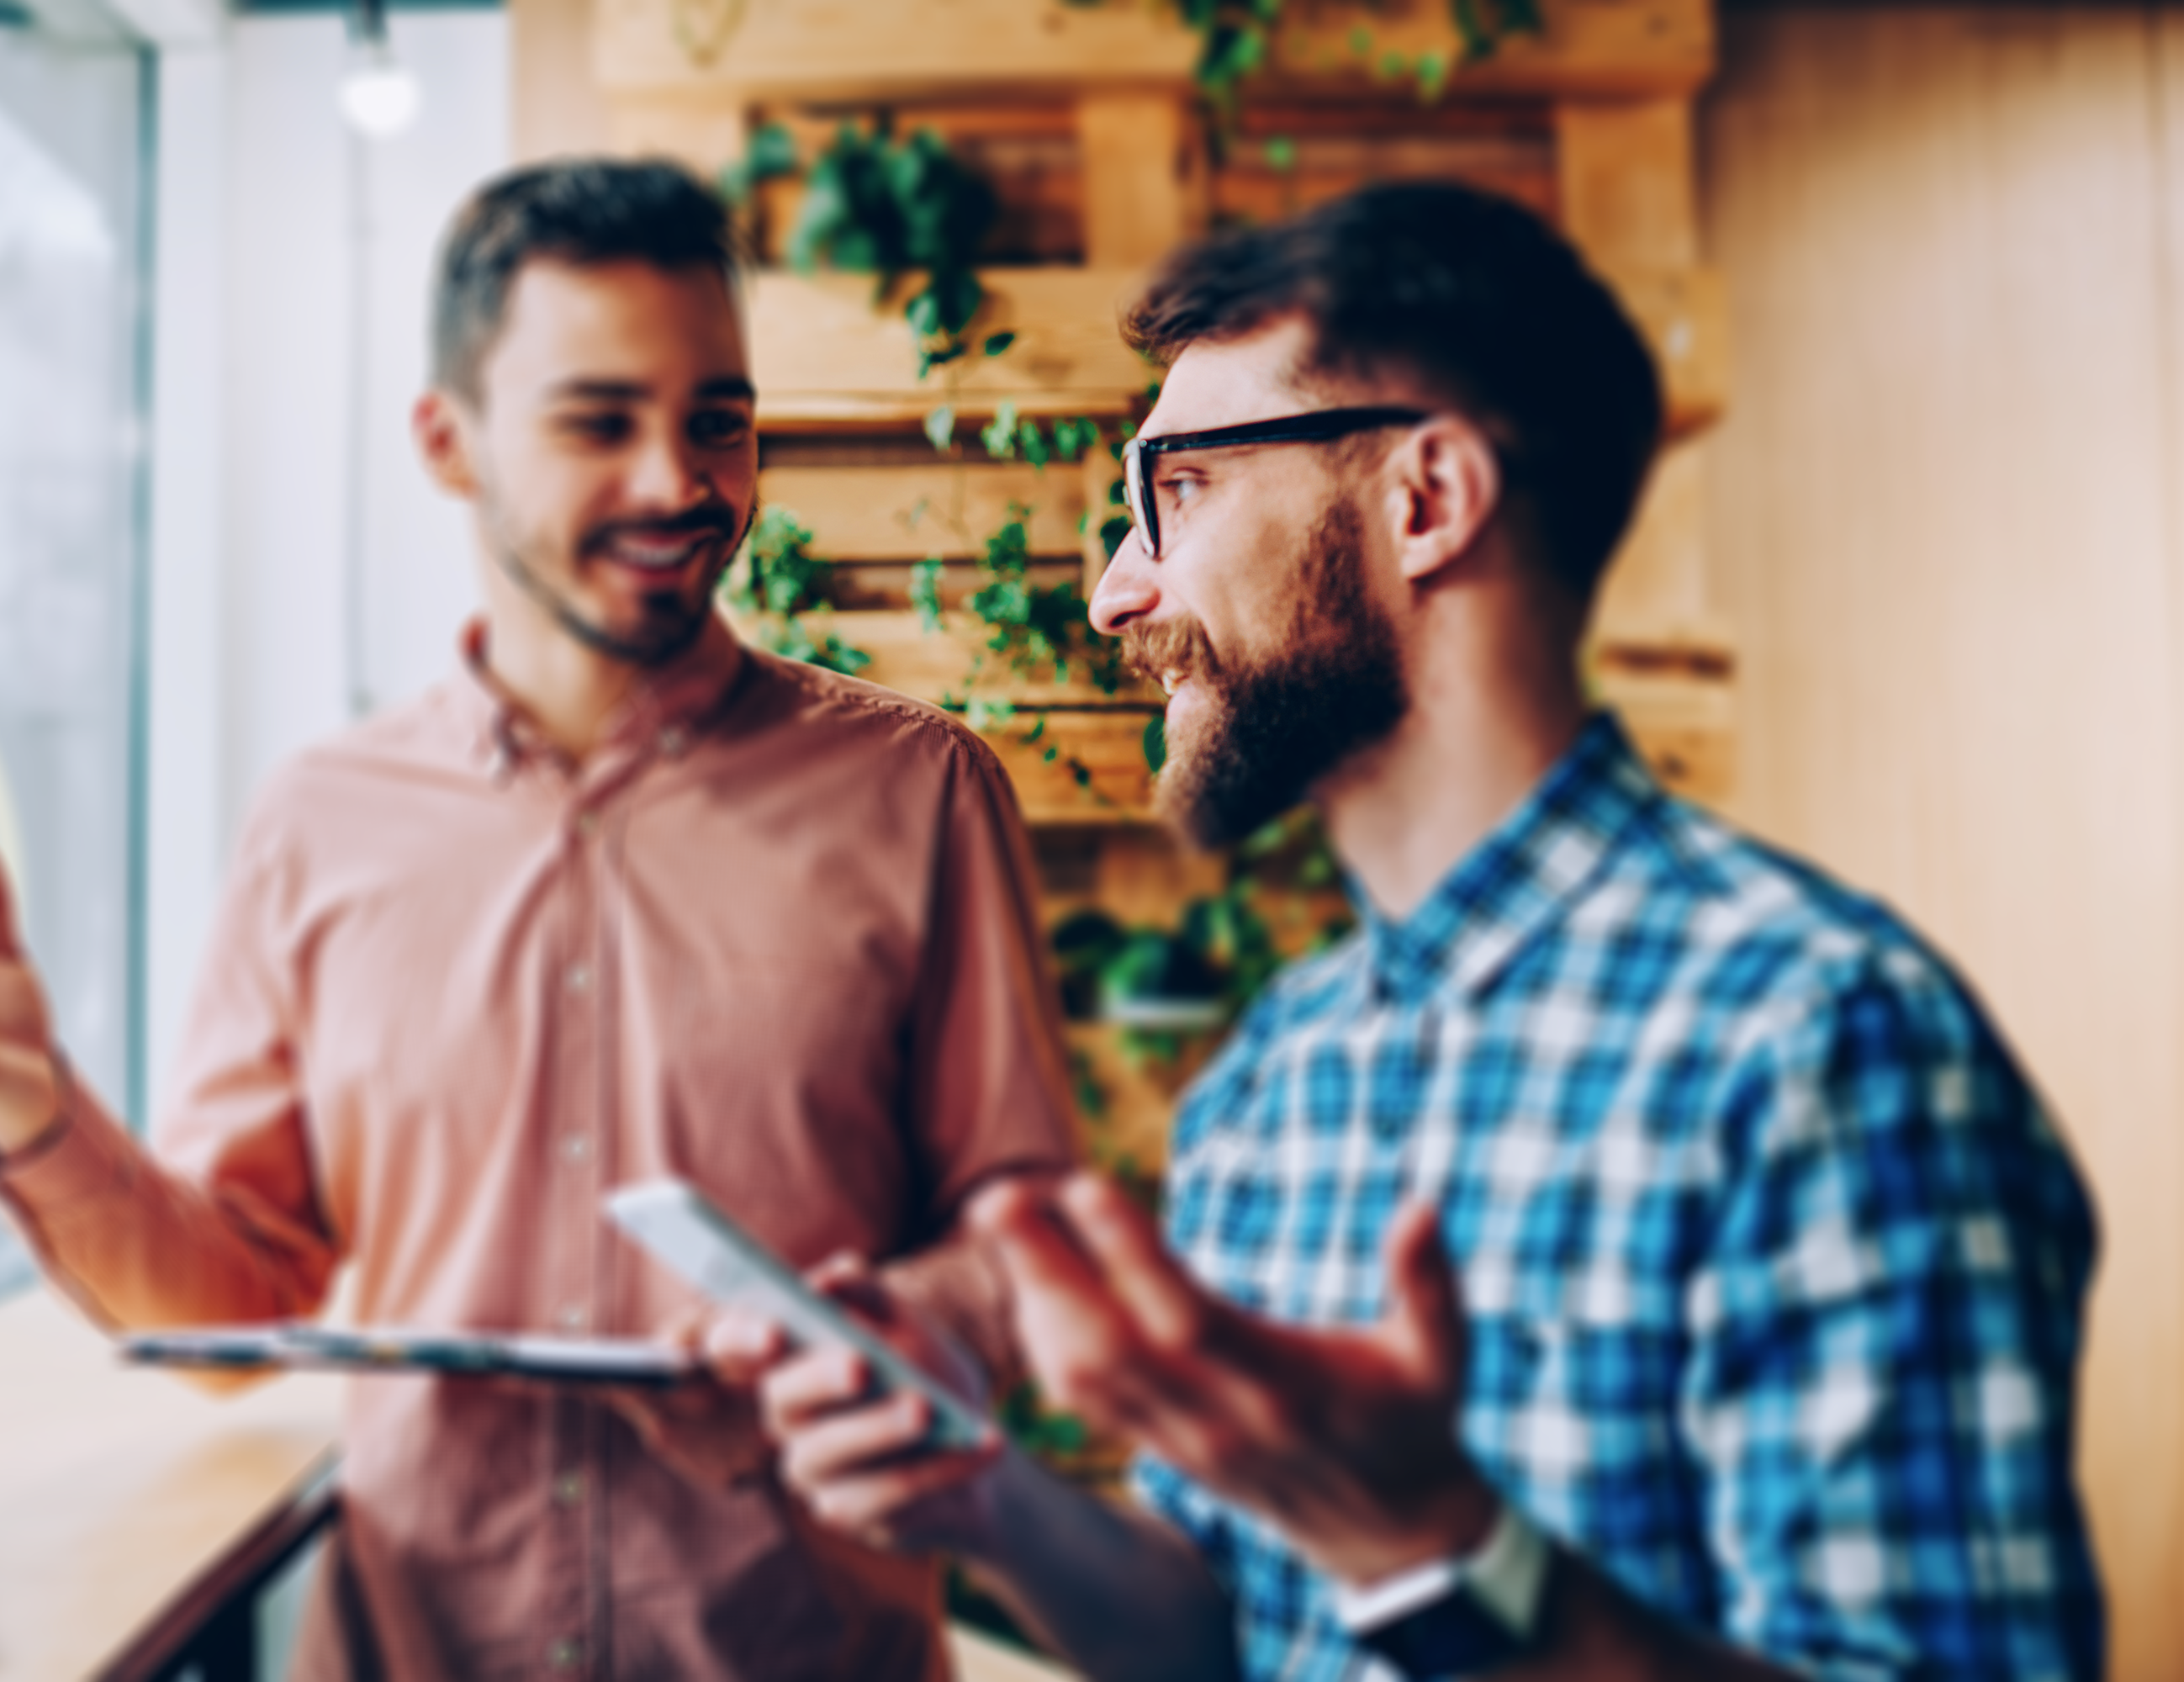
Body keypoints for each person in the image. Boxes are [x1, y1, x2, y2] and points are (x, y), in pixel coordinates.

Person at [722, 182, 2104, 1680]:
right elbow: (1228, 1636)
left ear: (1424, 501)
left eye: (1172, 493)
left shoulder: (1817, 1037)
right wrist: (975, 1484)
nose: (1117, 592)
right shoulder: (1279, 1078)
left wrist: (1445, 1559)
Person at [0, 158, 1079, 1679]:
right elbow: (237, 1294)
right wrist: (33, 1111)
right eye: (599, 421)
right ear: (449, 444)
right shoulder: (318, 822)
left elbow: (1021, 1243)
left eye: (717, 420)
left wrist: (854, 1338)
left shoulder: (918, 794)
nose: (677, 481)